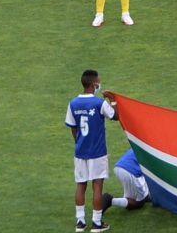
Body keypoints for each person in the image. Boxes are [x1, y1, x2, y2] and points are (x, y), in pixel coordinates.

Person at [68, 70, 119, 232]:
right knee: (97, 187)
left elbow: (73, 127)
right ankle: (97, 223)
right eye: (98, 82)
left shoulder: (73, 103)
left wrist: (79, 143)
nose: (99, 84)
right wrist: (113, 100)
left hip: (80, 152)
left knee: (80, 185)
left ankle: (80, 222)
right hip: (97, 152)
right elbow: (115, 116)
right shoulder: (99, 103)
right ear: (93, 84)